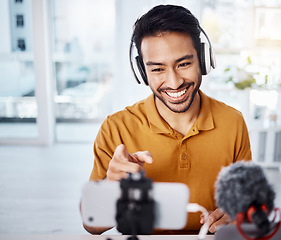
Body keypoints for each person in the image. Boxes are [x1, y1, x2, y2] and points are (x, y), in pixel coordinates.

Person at [84, 4, 252, 235]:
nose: (174, 83)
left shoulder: (233, 122)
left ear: (202, 59)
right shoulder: (116, 127)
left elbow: (247, 204)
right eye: (157, 69)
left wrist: (238, 214)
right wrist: (112, 188)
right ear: (143, 72)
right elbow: (92, 225)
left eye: (184, 64)